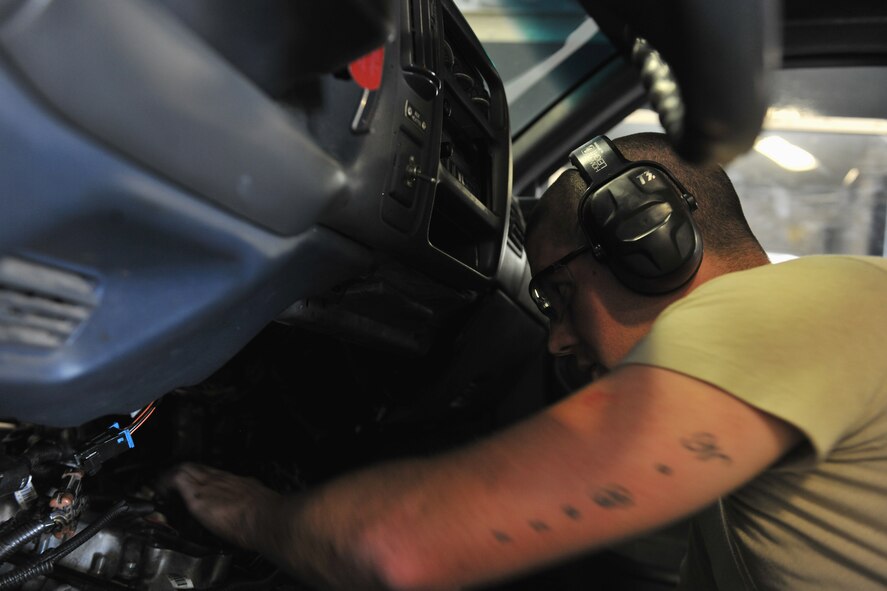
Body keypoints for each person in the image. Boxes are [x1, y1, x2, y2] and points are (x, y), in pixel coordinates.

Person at [169, 132, 887, 590]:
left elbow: (397, 547)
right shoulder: (776, 369)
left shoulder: (782, 311)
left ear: (648, 246)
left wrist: (251, 512)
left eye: (563, 295)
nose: (557, 337)